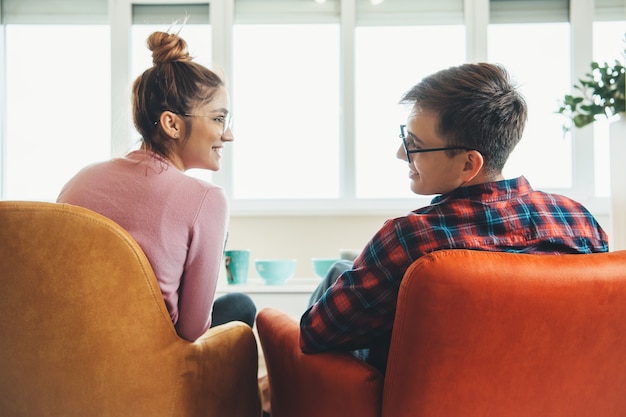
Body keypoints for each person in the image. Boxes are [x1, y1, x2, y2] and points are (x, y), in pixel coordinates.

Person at [299, 62, 609, 374]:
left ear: (467, 164)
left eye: (414, 146)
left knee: (338, 279)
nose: (400, 153)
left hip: (423, 397)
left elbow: (314, 335)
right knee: (343, 272)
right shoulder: (580, 223)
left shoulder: (410, 238)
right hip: (549, 392)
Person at [57, 30, 256, 341]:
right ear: (172, 123)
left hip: (68, 357)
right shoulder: (208, 200)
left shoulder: (78, 183)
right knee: (240, 305)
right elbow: (192, 330)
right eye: (219, 119)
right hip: (149, 368)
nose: (228, 135)